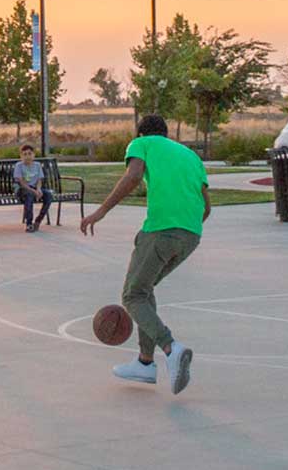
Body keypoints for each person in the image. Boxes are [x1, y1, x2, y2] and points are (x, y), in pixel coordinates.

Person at [81, 113, 207, 394]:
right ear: (166, 133)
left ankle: (171, 348)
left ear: (141, 134)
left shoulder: (142, 144)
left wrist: (101, 211)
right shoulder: (190, 155)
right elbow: (206, 204)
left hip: (162, 230)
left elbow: (133, 175)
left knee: (132, 295)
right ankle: (145, 363)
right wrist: (185, 230)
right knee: (144, 289)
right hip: (191, 235)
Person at [12, 143, 53, 231]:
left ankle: (38, 221)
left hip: (34, 188)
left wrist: (38, 189)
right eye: (25, 154)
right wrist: (33, 191)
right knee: (29, 195)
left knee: (48, 195)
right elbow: (21, 182)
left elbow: (39, 180)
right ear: (21, 156)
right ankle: (29, 223)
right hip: (22, 189)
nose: (27, 156)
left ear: (34, 155)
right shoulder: (19, 166)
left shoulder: (37, 165)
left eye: (30, 153)